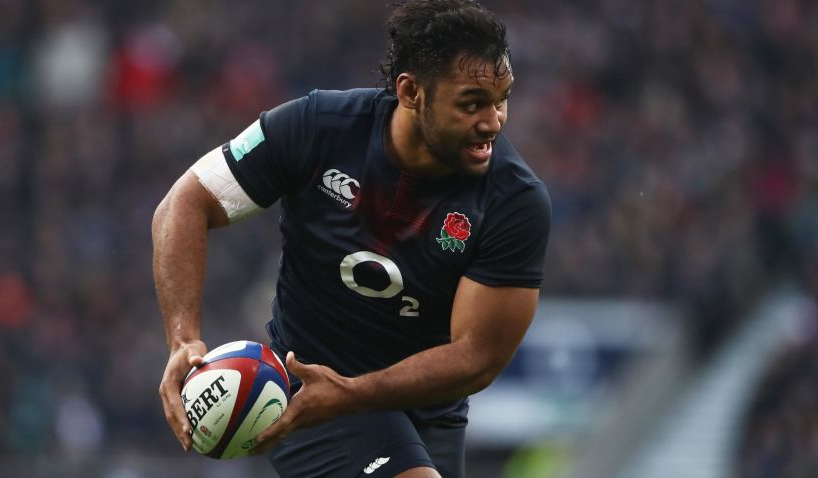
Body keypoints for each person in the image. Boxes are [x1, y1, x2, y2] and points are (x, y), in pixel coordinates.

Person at [153, 0, 551, 476]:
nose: (493, 122)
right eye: (471, 104)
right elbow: (183, 204)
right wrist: (183, 339)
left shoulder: (514, 200)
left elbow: (476, 359)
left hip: (428, 414)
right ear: (411, 91)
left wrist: (356, 393)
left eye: (501, 99)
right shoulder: (318, 127)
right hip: (309, 388)